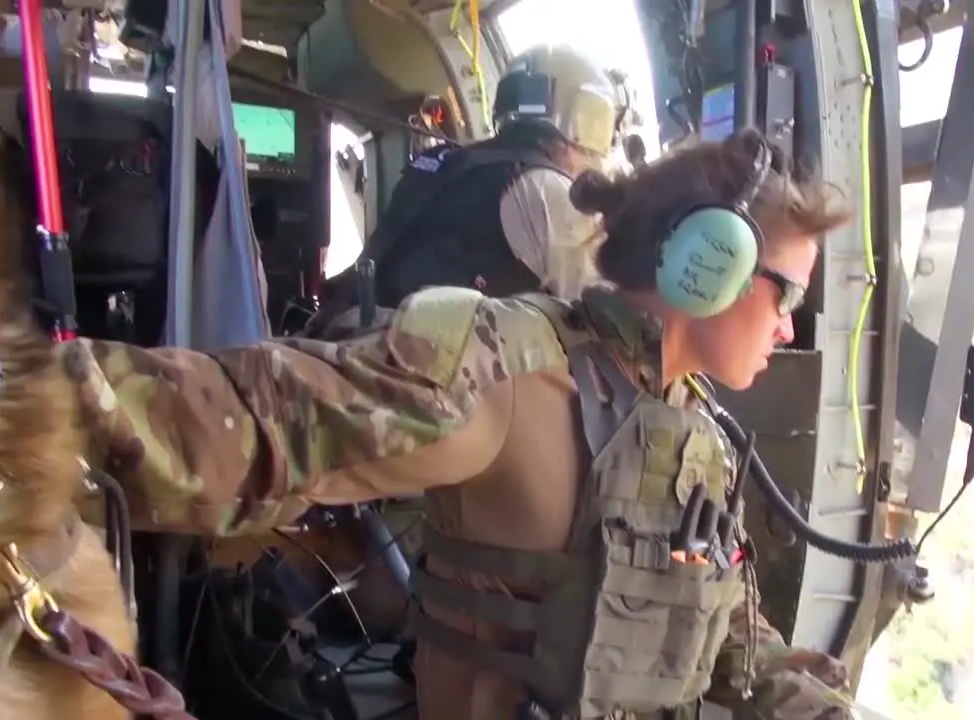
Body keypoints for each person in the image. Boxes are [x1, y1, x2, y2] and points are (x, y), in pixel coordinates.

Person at [58, 127, 855, 719]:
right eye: (787, 294)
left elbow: (724, 638)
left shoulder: (699, 435)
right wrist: (19, 406)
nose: (789, 326)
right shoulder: (512, 369)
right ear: (708, 262)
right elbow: (246, 422)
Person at [314, 44, 635, 338]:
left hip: (358, 337)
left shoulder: (443, 162)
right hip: (416, 375)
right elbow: (598, 327)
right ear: (581, 120)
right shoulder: (550, 190)